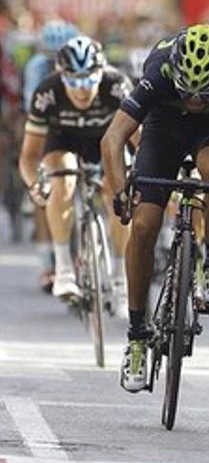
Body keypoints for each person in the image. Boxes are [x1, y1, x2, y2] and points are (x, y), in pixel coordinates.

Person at [101, 24, 209, 393]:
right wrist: (120, 192)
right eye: (187, 91)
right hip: (163, 128)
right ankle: (137, 336)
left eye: (202, 92)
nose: (194, 100)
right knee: (144, 226)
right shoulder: (159, 69)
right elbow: (112, 138)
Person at [19, 36, 132, 305]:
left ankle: (119, 273)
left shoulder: (116, 86)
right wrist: (35, 184)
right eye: (74, 82)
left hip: (106, 140)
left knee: (119, 193)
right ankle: (64, 268)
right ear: (61, 75)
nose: (82, 90)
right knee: (63, 181)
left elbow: (140, 140)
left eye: (89, 81)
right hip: (63, 141)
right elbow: (29, 155)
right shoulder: (47, 92)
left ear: (100, 73)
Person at [25, 20, 79, 292]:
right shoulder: (36, 68)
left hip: (80, 125)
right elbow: (32, 110)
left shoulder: (82, 63)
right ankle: (46, 259)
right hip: (50, 125)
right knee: (47, 188)